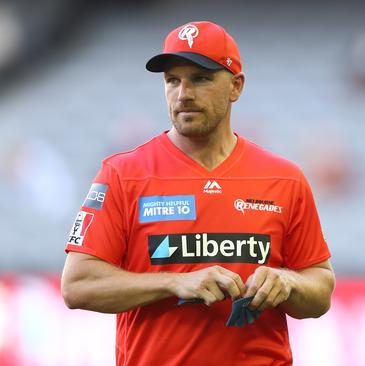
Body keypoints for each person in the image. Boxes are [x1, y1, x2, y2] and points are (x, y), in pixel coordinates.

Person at [60, 21, 335, 366]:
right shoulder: (122, 175)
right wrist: (174, 284)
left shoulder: (284, 179)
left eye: (201, 78)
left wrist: (288, 283)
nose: (183, 93)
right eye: (172, 80)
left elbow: (321, 290)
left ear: (236, 86)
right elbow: (77, 286)